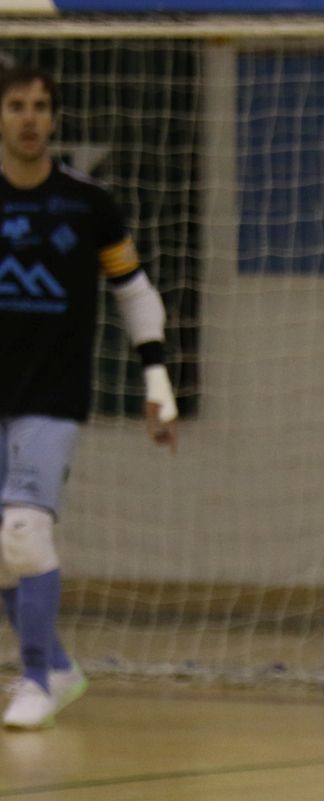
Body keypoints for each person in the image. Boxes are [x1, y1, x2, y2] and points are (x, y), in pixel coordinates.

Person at [1, 66, 179, 730]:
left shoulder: (89, 202)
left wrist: (157, 381)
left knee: (23, 532)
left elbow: (134, 291)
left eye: (40, 106)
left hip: (52, 395)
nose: (28, 117)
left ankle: (40, 674)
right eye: (16, 105)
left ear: (55, 119)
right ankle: (61, 666)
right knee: (2, 550)